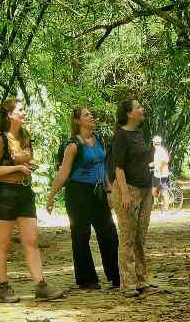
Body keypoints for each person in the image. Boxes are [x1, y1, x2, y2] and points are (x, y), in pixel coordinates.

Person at [0, 99, 64, 303]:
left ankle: (41, 286)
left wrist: (28, 167)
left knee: (31, 241)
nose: (24, 112)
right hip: (4, 194)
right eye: (21, 109)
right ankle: (4, 287)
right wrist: (17, 168)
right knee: (3, 244)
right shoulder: (0, 140)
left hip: (24, 192)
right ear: (10, 115)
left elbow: (25, 161)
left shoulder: (25, 136)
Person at [46, 107, 120, 290]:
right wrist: (51, 196)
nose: (91, 117)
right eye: (87, 115)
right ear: (78, 121)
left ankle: (117, 275)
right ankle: (87, 279)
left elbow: (104, 168)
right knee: (81, 235)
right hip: (78, 193)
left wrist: (110, 192)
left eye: (91, 114)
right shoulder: (73, 145)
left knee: (109, 234)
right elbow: (63, 173)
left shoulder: (99, 140)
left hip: (99, 192)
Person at [109, 99, 155, 297]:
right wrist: (125, 194)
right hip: (127, 190)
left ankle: (141, 280)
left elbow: (141, 161)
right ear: (129, 113)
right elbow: (118, 167)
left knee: (140, 238)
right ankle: (127, 284)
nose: (142, 109)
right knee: (127, 238)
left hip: (145, 190)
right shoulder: (121, 135)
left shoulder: (139, 134)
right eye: (138, 107)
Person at [151, 136, 170, 209]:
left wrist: (160, 169)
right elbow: (157, 162)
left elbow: (165, 161)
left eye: (153, 142)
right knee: (154, 191)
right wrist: (151, 165)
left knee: (164, 190)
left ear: (155, 143)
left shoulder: (160, 150)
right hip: (157, 174)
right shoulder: (157, 150)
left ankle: (166, 206)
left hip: (162, 174)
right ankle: (156, 203)